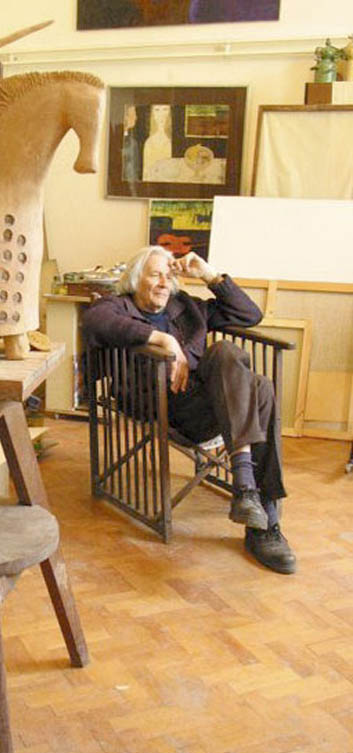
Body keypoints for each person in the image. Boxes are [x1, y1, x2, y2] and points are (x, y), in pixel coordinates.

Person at [82, 245, 296, 574]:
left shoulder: (187, 307)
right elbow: (95, 321)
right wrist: (163, 340)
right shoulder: (118, 305)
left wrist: (208, 275)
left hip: (215, 404)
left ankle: (251, 498)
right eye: (155, 275)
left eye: (168, 276)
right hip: (161, 404)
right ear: (135, 279)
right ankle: (261, 514)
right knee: (259, 387)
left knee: (237, 364)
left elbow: (250, 315)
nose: (163, 283)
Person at [142, 104, 172, 181]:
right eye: (157, 110)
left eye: (165, 109)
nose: (161, 114)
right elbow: (146, 173)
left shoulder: (173, 141)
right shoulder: (149, 143)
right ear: (153, 114)